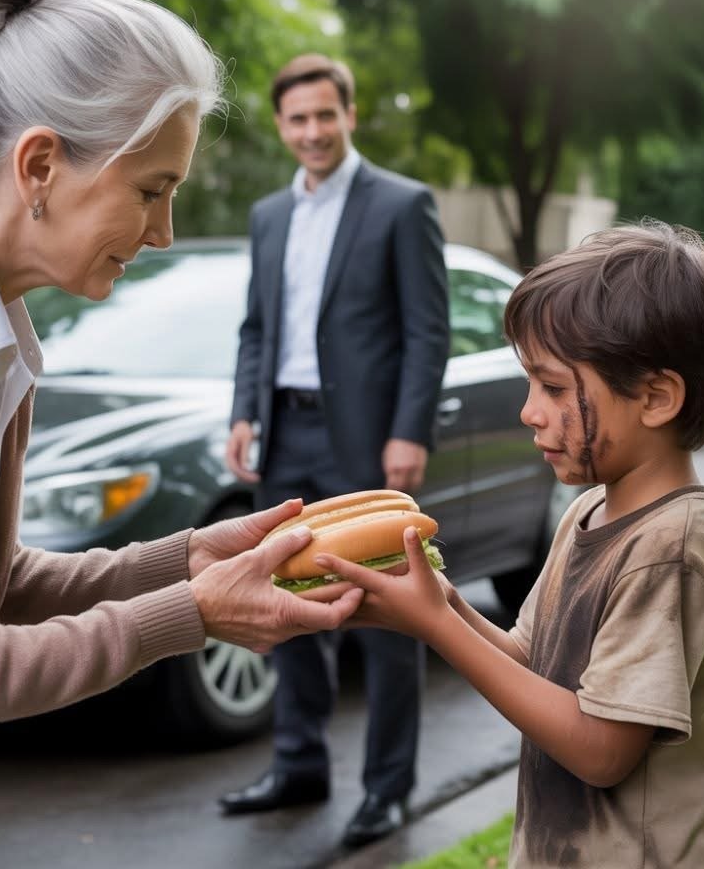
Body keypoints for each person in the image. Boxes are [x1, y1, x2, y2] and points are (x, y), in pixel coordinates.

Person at [0, 0, 364, 869]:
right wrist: (194, 613)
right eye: (152, 191)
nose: (164, 232)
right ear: (39, 166)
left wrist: (186, 559)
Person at [317, 221, 704, 867]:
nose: (529, 411)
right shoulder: (589, 511)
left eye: (552, 388)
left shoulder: (673, 548)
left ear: (656, 397)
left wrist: (440, 626)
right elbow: (531, 660)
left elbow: (601, 750)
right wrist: (441, 605)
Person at [219, 53, 450, 847]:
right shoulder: (268, 216)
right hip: (283, 434)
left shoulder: (402, 204)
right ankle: (298, 766)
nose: (313, 131)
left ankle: (388, 788)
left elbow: (427, 331)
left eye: (326, 115)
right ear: (281, 126)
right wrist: (244, 412)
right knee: (288, 599)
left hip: (368, 440)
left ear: (350, 114)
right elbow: (257, 328)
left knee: (387, 615)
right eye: (298, 119)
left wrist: (409, 430)